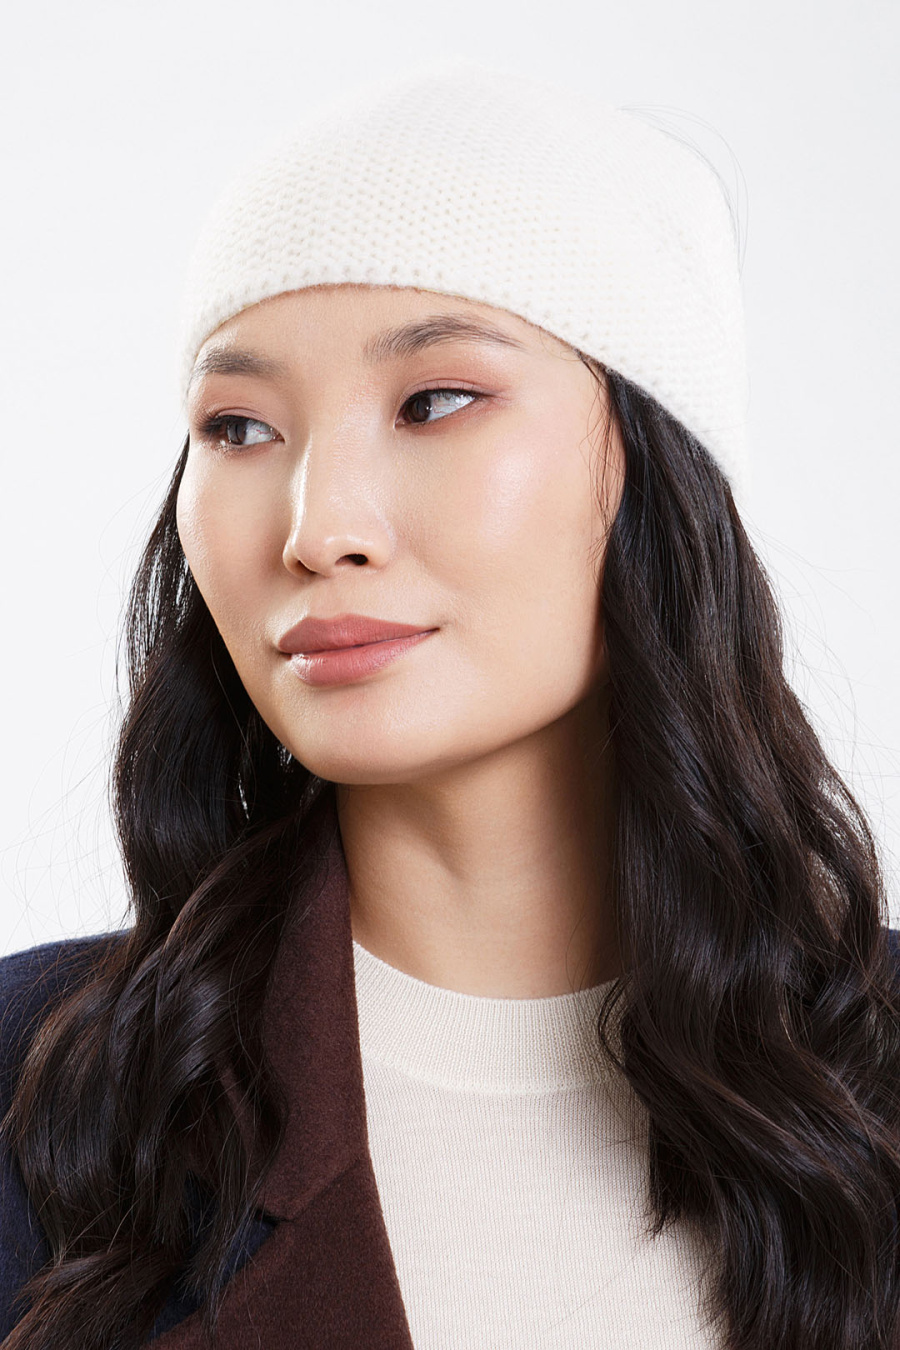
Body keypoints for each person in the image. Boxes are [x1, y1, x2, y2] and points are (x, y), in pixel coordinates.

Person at [1, 59, 898, 1350]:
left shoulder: (874, 1076)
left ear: (659, 466)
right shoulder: (33, 1085)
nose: (320, 527)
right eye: (239, 427)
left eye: (436, 401)